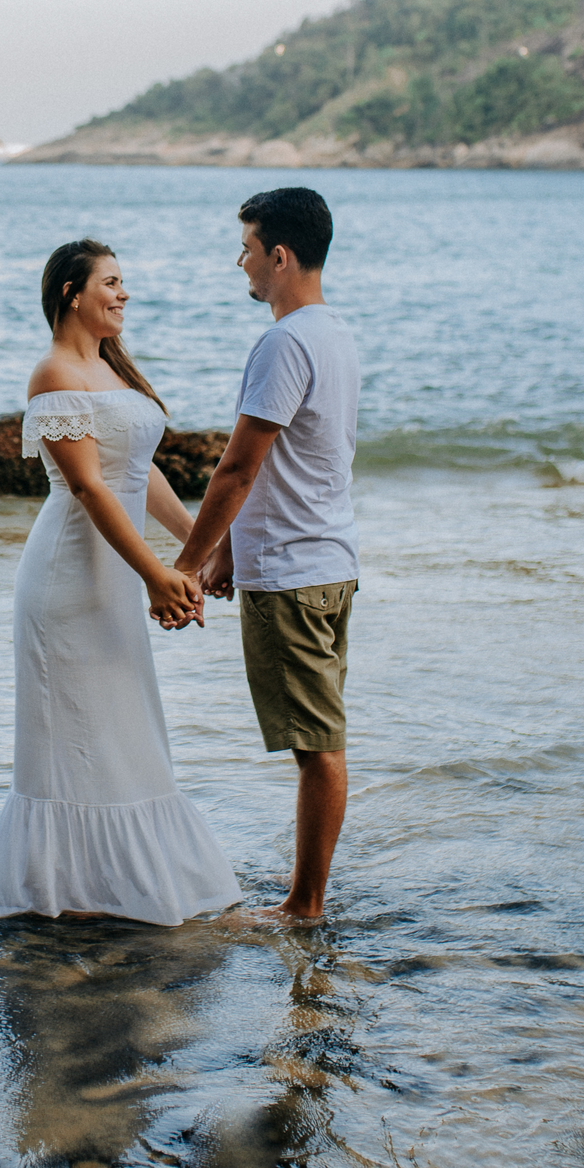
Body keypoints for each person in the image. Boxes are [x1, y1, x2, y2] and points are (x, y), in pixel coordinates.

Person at [0, 238, 240, 926]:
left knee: (128, 726)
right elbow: (90, 489)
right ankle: (65, 890)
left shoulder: (111, 371)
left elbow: (141, 473)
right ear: (72, 292)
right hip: (69, 580)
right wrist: (156, 574)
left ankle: (118, 885)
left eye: (124, 283)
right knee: (73, 733)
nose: (124, 294)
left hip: (116, 577)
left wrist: (197, 547)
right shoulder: (54, 373)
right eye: (112, 282)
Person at [173, 187, 360, 923]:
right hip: (325, 562)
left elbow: (238, 468)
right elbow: (303, 463)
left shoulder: (284, 343)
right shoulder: (333, 332)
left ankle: (303, 906)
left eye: (247, 249)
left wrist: (187, 563)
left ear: (279, 256)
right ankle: (305, 896)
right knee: (320, 739)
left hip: (295, 573)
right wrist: (228, 557)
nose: (240, 262)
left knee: (316, 746)